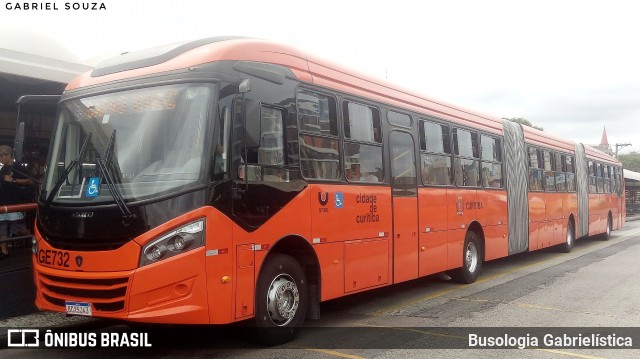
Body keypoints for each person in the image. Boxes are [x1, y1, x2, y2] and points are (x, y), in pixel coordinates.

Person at [0, 145, 32, 259]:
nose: (0, 159)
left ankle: (35, 240)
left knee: (18, 228)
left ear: (8, 155)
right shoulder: (3, 169)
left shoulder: (18, 167)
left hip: (15, 202)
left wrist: (13, 179)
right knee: (2, 228)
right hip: (3, 202)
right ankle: (4, 251)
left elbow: (29, 181)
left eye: (1, 156)